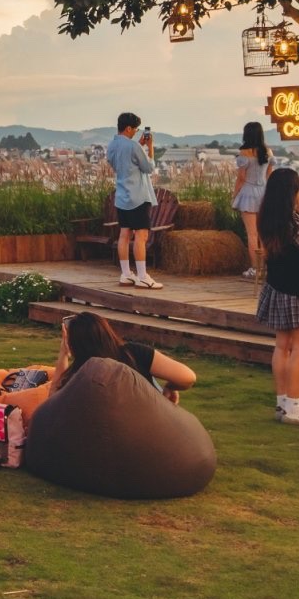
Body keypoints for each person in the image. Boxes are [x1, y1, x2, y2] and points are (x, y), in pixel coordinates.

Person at [255, 166, 299, 426]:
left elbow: (298, 182)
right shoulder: (292, 224)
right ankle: (295, 408)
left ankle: (283, 404)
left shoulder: (268, 216)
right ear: (291, 194)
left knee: (282, 347)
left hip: (276, 287)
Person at [54, 310, 195, 401]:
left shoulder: (79, 374)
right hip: (153, 429)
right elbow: (187, 377)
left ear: (73, 345)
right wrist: (169, 388)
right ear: (107, 332)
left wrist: (63, 355)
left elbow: (50, 406)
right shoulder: (133, 352)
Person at [106, 112, 162, 289]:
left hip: (122, 196)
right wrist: (150, 147)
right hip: (138, 196)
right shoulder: (132, 146)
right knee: (141, 235)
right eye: (135, 129)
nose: (136, 132)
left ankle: (126, 274)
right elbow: (148, 167)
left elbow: (123, 162)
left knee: (124, 234)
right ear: (128, 128)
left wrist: (139, 145)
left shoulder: (112, 145)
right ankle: (143, 276)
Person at [234, 120, 273, 279]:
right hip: (264, 193)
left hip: (248, 193)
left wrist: (234, 195)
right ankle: (265, 268)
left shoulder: (244, 153)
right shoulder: (268, 152)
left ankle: (255, 269)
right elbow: (270, 174)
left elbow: (241, 178)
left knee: (252, 235)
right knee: (264, 234)